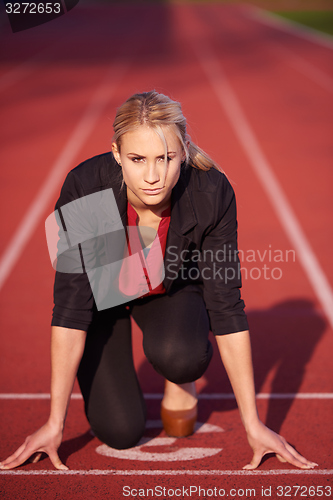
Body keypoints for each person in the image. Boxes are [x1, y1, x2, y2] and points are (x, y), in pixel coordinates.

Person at [0, 91, 317, 471]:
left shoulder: (211, 192)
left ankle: (178, 377)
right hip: (104, 296)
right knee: (119, 432)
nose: (152, 176)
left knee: (182, 357)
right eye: (137, 159)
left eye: (165, 159)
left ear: (183, 152)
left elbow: (226, 304)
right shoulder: (84, 189)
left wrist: (254, 424)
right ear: (116, 153)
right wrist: (55, 423)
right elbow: (70, 307)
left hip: (169, 288)